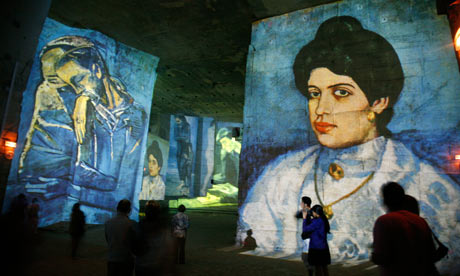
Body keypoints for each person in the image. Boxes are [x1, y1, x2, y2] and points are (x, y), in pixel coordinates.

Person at [237, 15, 460, 273]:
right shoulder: (282, 175)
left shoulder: (431, 188)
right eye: (314, 94)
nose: (321, 110)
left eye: (341, 93)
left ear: (378, 102)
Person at [18, 35, 147, 223]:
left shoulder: (136, 115)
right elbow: (39, 170)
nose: (75, 91)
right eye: (61, 84)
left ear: (96, 68)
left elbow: (125, 182)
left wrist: (86, 97)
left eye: (78, 80)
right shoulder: (58, 104)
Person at [371, 182, 438, 276]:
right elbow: (431, 252)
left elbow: (381, 257)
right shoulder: (420, 221)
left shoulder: (384, 221)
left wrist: (373, 254)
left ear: (385, 200)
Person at [135, 200, 174, 276]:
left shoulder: (140, 225)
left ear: (146, 211)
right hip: (158, 265)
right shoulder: (164, 226)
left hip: (142, 265)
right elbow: (169, 248)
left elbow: (135, 247)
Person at [105, 199, 137, 276]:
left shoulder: (108, 223)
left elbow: (108, 240)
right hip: (126, 260)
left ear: (117, 208)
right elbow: (134, 243)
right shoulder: (132, 224)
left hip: (111, 259)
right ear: (129, 210)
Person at [303, 205, 330, 276]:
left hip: (316, 248)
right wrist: (308, 214)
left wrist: (304, 218)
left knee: (318, 269)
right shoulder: (322, 219)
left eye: (313, 211)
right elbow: (310, 222)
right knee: (324, 268)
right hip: (323, 247)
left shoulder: (317, 221)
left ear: (315, 212)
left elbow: (305, 229)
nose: (312, 213)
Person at [174, 115, 193, 196]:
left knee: (185, 167)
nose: (177, 123)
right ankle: (183, 183)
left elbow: (186, 138)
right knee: (180, 166)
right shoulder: (177, 127)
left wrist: (180, 137)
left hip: (186, 149)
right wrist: (181, 137)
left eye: (178, 121)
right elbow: (175, 137)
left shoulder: (187, 126)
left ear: (182, 120)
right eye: (176, 121)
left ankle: (187, 187)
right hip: (180, 149)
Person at [298, 196, 313, 276]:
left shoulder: (307, 211)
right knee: (306, 256)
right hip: (307, 237)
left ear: (305, 204)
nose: (300, 203)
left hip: (308, 237)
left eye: (302, 202)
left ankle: (311, 271)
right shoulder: (309, 211)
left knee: (305, 256)